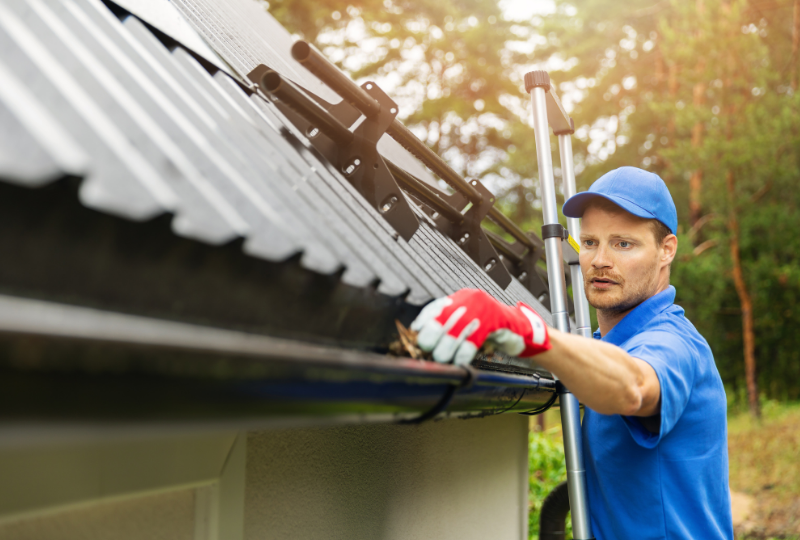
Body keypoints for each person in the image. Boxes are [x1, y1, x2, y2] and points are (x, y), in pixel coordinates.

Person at [410, 167, 733, 540]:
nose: (599, 260)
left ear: (667, 250)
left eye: (623, 244)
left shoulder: (673, 343)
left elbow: (634, 385)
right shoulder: (604, 345)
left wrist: (530, 334)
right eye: (591, 242)